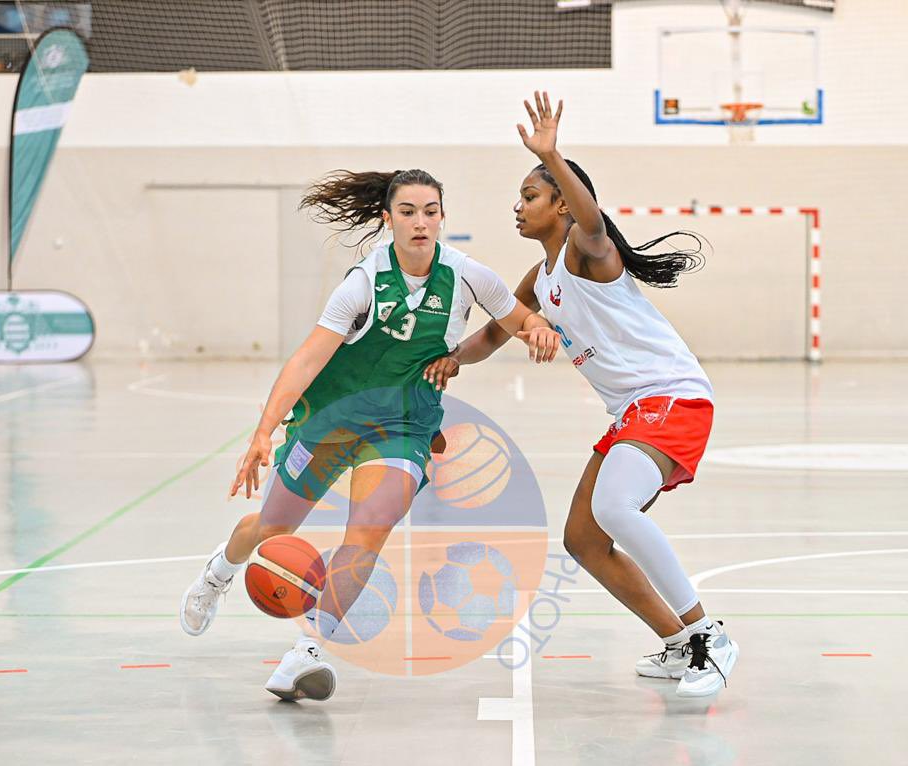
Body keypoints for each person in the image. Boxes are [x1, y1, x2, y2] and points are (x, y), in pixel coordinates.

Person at [179, 168, 559, 701]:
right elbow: (310, 357)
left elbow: (521, 318)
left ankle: (307, 652)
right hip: (333, 421)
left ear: (442, 217)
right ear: (388, 219)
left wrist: (537, 329)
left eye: (430, 211)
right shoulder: (363, 282)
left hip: (404, 427)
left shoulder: (470, 275)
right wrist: (263, 432)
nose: (420, 222)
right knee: (270, 527)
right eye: (407, 212)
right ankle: (219, 573)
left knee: (366, 534)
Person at [425, 93, 738, 698]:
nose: (518, 206)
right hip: (634, 411)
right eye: (519, 196)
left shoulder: (587, 253)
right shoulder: (541, 278)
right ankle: (677, 643)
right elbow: (496, 330)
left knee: (614, 508)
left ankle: (708, 638)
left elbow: (593, 224)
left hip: (671, 398)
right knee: (584, 539)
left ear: (563, 204)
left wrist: (552, 153)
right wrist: (451, 360)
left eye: (531, 195)